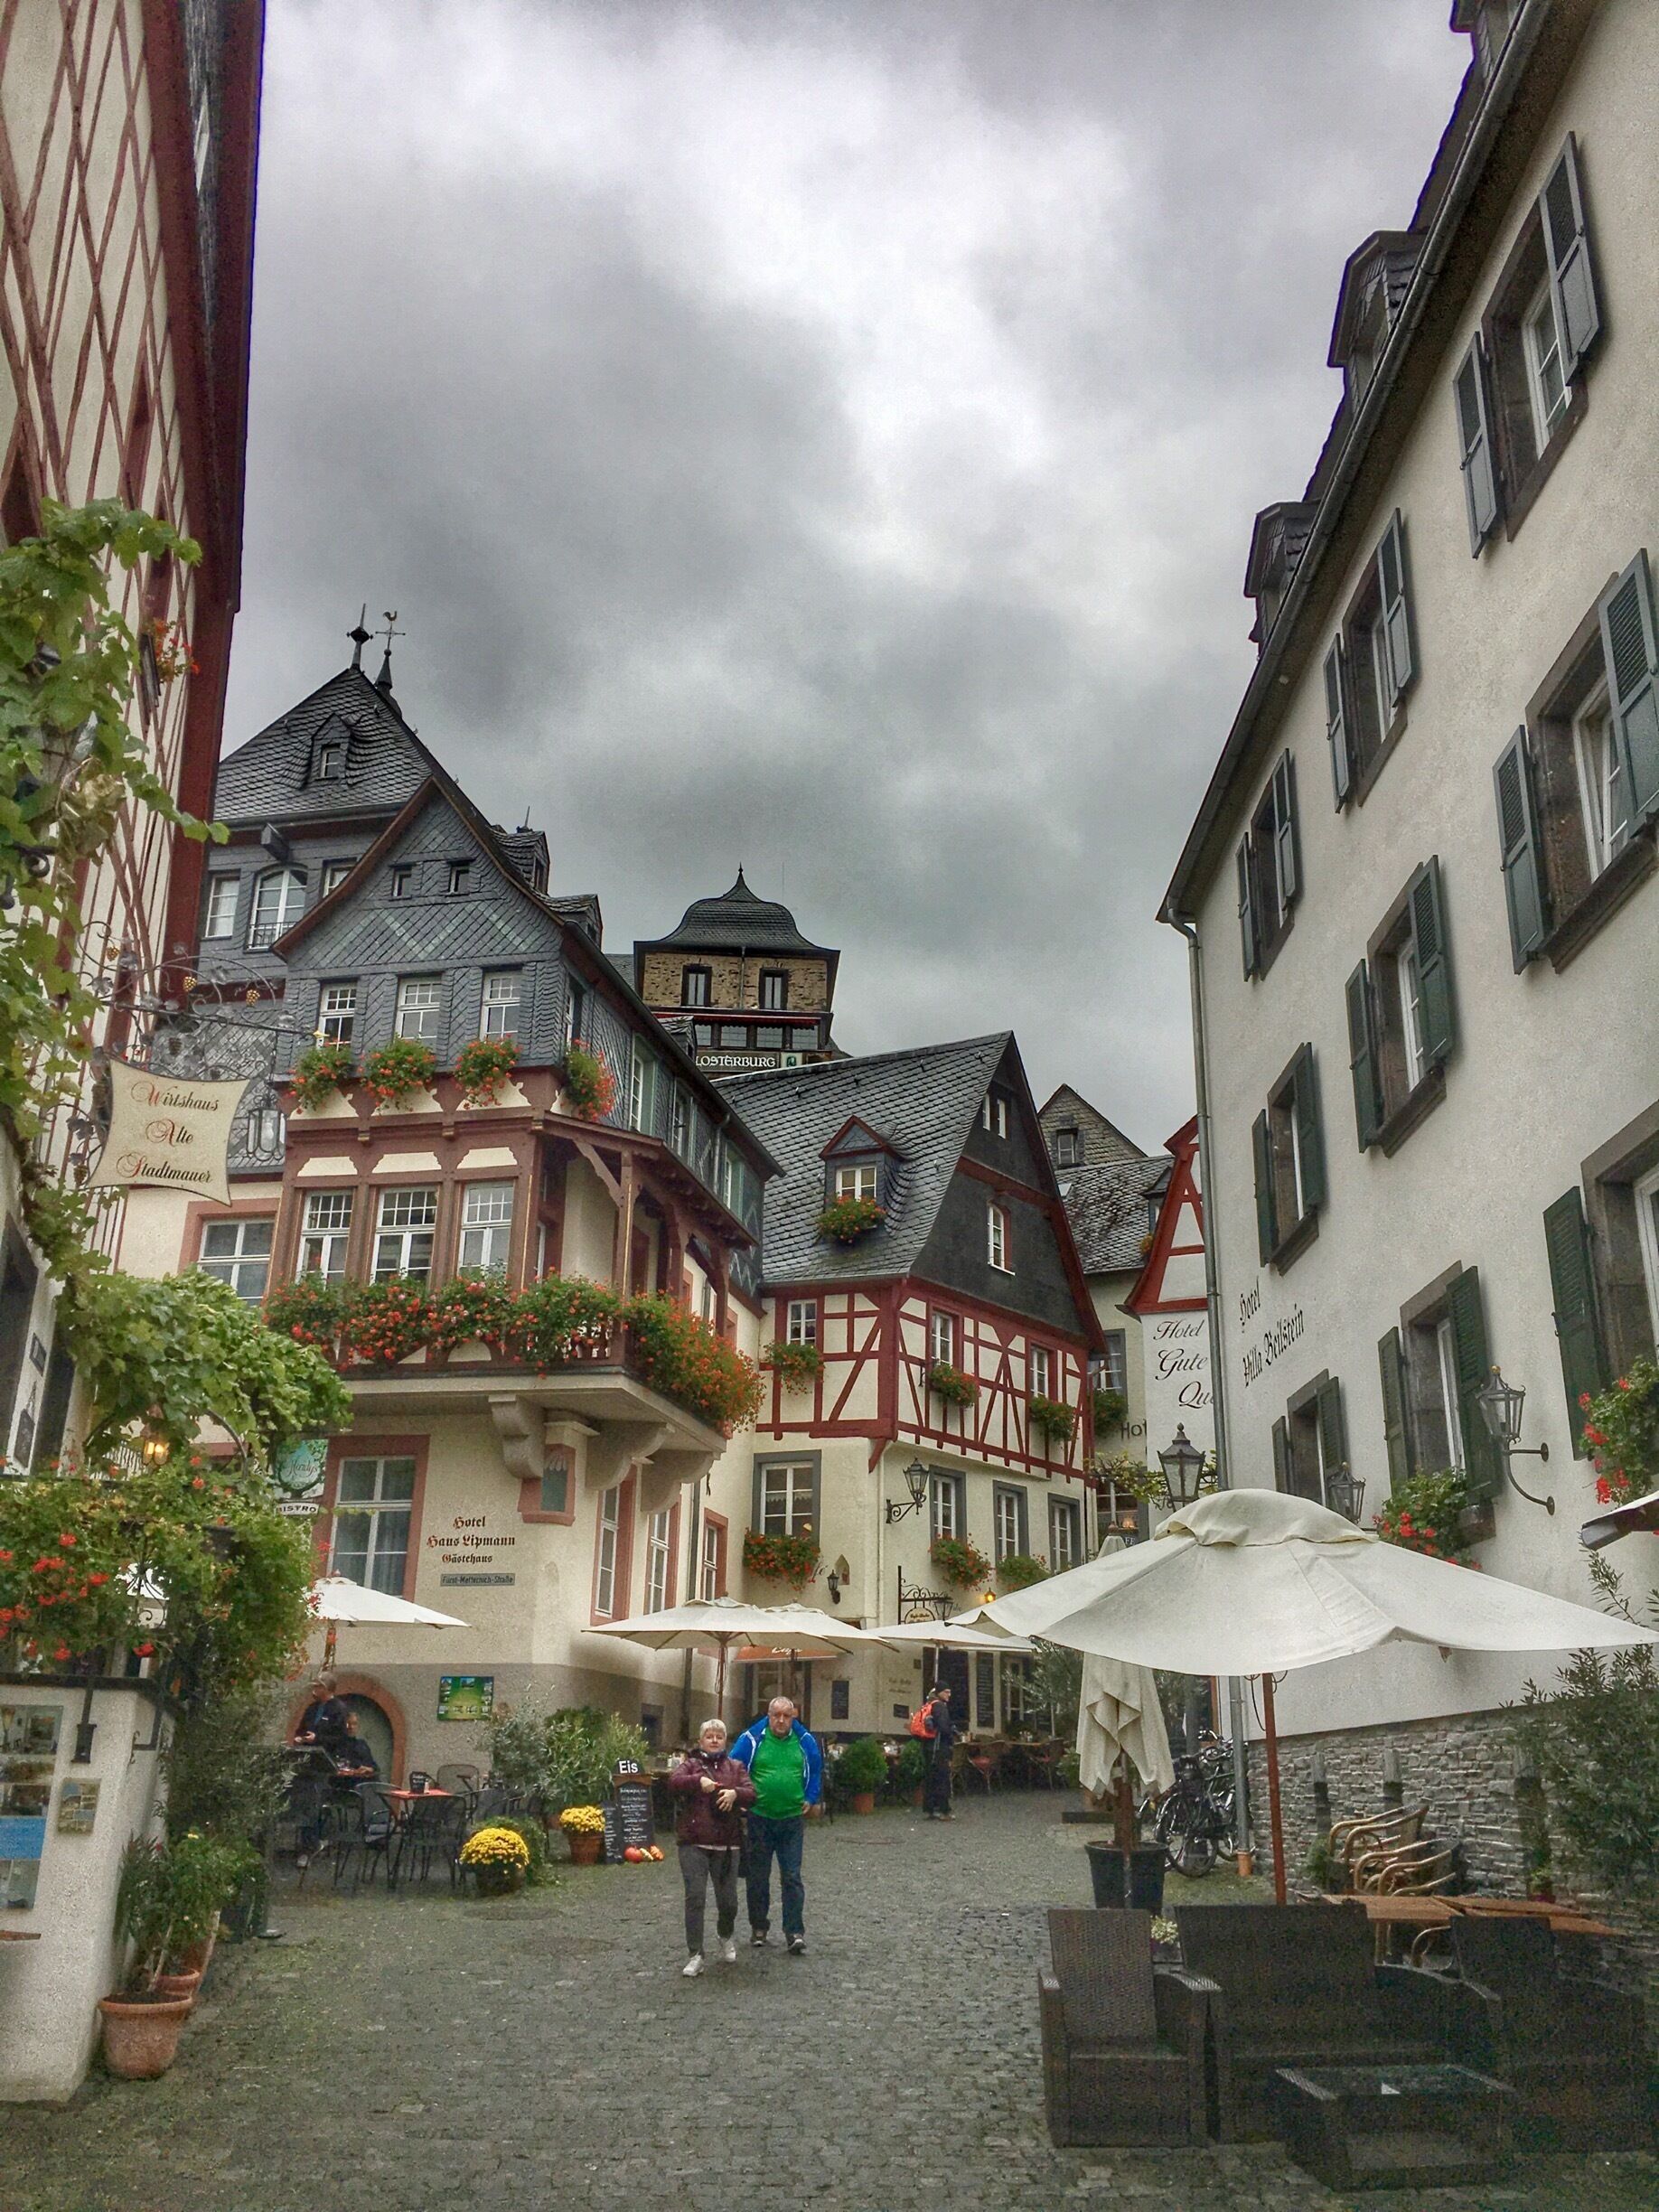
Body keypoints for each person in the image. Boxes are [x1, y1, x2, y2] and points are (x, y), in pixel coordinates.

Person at [731, 1695, 821, 1955]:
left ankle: (794, 1931)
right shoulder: (751, 1739)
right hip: (760, 1818)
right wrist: (741, 1796)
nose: (781, 1721)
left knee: (792, 1876)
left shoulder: (804, 1741)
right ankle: (759, 1927)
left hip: (792, 1819)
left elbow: (815, 1769)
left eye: (787, 1716)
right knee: (758, 1877)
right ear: (768, 1716)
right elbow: (734, 1767)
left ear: (793, 1717)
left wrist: (811, 1796)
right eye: (776, 1716)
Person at [667, 1719, 755, 1979]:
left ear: (725, 1741)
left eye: (719, 1736)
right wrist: (698, 1782)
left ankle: (724, 1933)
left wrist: (734, 1794)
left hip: (727, 1845)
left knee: (728, 1901)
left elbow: (752, 1793)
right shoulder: (691, 1765)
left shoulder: (736, 1766)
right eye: (709, 1736)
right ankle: (695, 1954)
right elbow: (674, 1782)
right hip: (693, 1842)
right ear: (701, 1741)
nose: (714, 1740)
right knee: (695, 1898)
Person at [293, 1672, 351, 1760]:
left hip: (329, 1758)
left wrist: (317, 1739)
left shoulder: (339, 1709)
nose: (314, 1689)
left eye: (318, 1686)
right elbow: (302, 1729)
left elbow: (341, 1738)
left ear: (326, 1688)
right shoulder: (312, 1708)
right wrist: (299, 1738)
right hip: (308, 1756)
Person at [923, 1681, 957, 1820]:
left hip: (928, 1747)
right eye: (946, 1692)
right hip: (939, 1747)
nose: (949, 1694)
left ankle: (931, 1809)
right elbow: (943, 1728)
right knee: (942, 1778)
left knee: (931, 1778)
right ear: (939, 1693)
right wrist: (952, 1732)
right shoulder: (940, 1707)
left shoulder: (929, 1705)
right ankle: (944, 1811)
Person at [333, 1711, 379, 1785]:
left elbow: (374, 1766)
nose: (351, 1727)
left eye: (354, 1724)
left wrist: (369, 1769)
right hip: (342, 1785)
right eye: (348, 1724)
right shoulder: (336, 1745)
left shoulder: (362, 1744)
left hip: (363, 1785)